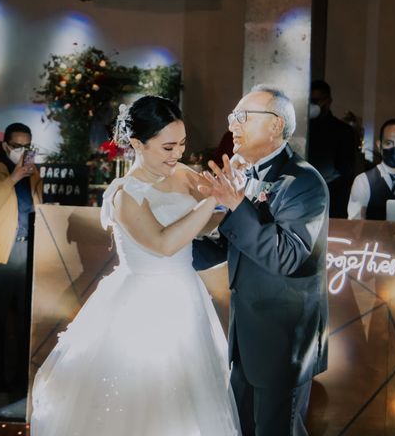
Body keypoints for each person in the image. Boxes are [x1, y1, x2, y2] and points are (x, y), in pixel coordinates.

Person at [31, 96, 240, 435]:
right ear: (137, 144)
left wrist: (227, 199)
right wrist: (214, 202)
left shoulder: (184, 174)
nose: (177, 155)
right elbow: (162, 243)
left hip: (186, 295)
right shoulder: (124, 193)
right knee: (139, 395)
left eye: (182, 145)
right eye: (168, 147)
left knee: (187, 395)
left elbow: (198, 225)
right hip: (142, 300)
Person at [195, 84, 330, 436]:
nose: (233, 126)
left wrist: (238, 205)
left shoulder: (304, 181)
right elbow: (229, 244)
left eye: (242, 117)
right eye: (232, 118)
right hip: (247, 335)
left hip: (283, 339)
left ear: (275, 125)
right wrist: (168, 252)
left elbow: (286, 255)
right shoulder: (250, 176)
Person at [0, 122, 42, 392]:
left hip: (28, 252)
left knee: (27, 321)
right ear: (5, 145)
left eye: (27, 146)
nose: (21, 151)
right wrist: (13, 177)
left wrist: (32, 178)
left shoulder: (34, 173)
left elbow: (39, 208)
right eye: (16, 146)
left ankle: (21, 378)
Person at [308, 80, 358, 218]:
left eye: (315, 101)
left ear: (328, 101)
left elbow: (346, 172)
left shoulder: (343, 131)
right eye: (309, 100)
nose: (312, 105)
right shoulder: (300, 130)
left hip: (332, 203)